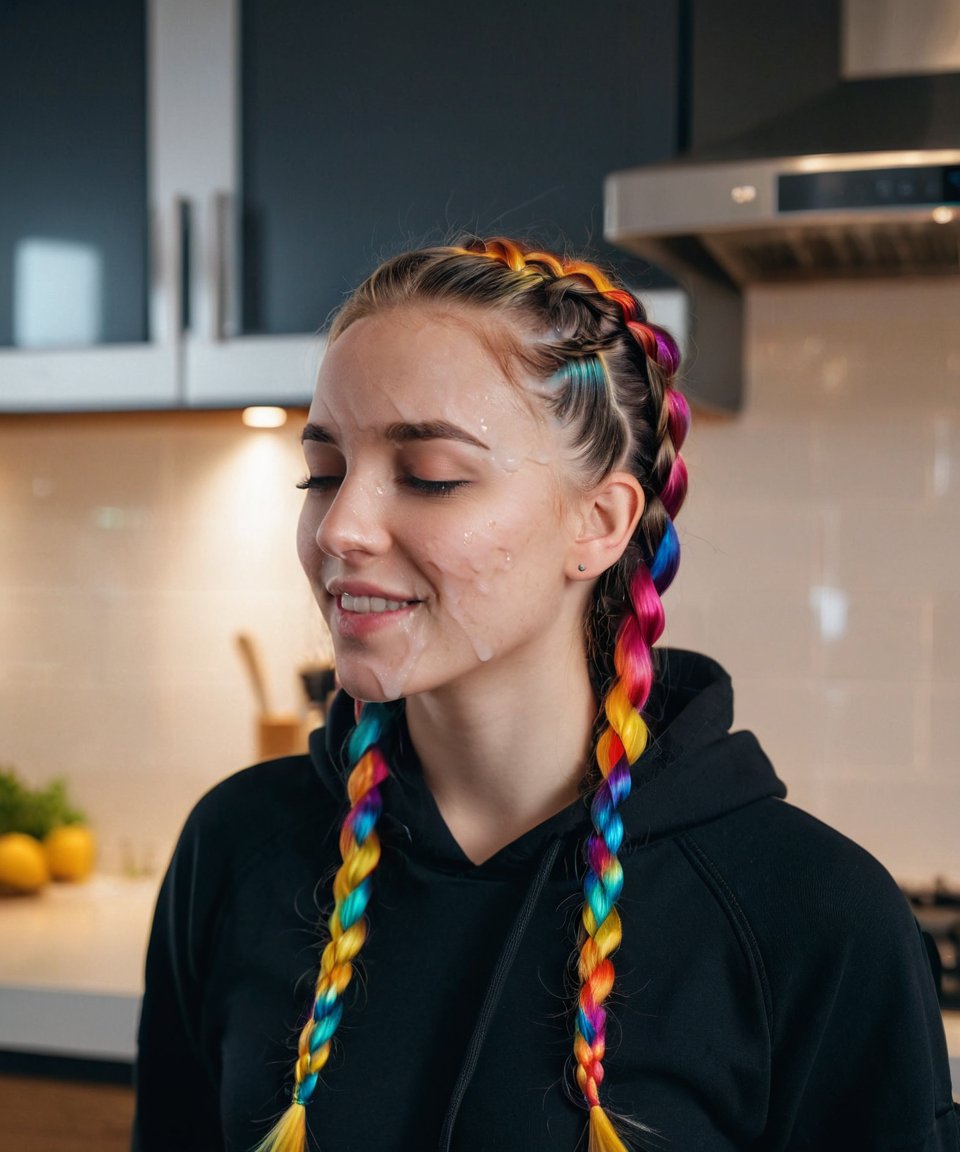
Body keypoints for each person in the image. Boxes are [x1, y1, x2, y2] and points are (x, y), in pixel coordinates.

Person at [133, 238, 958, 1152]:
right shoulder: (237, 847)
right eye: (322, 473)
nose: (342, 527)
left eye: (430, 477)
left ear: (598, 523)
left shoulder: (817, 918)